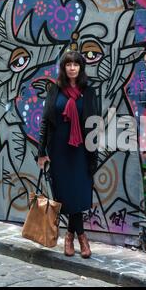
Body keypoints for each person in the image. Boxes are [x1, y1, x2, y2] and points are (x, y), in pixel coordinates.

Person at [37, 50, 100, 258]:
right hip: (59, 151)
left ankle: (72, 235)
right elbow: (46, 121)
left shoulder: (89, 92)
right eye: (68, 64)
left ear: (81, 67)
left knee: (79, 193)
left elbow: (94, 124)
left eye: (76, 64)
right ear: (63, 68)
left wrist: (94, 152)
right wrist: (41, 152)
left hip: (81, 151)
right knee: (66, 196)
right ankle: (81, 238)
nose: (72, 67)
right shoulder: (55, 90)